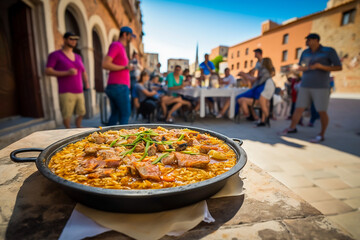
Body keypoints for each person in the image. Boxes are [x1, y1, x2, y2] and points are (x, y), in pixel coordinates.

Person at [280, 33, 342, 143]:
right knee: (298, 108)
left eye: (308, 40)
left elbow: (338, 67)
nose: (306, 42)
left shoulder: (328, 51)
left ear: (316, 40)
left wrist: (321, 66)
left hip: (321, 86)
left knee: (321, 111)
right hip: (305, 85)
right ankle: (292, 128)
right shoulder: (305, 52)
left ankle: (321, 134)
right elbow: (300, 67)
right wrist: (298, 68)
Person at [45, 32, 90, 129]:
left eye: (75, 39)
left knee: (82, 112)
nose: (74, 41)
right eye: (71, 39)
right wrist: (67, 73)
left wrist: (86, 82)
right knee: (67, 114)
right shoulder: (55, 55)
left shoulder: (78, 56)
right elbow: (48, 71)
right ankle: (68, 130)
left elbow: (83, 71)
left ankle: (78, 127)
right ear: (65, 40)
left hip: (79, 90)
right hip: (66, 91)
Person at [102, 26, 135, 125]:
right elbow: (105, 64)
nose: (131, 38)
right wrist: (125, 67)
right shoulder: (117, 45)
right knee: (125, 114)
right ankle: (123, 140)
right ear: (125, 34)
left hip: (117, 86)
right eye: (130, 36)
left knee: (115, 114)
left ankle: (108, 138)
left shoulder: (121, 48)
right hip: (119, 86)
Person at [236, 57, 276, 126]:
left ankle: (267, 118)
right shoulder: (268, 71)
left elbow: (257, 80)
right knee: (265, 105)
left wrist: (244, 75)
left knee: (263, 105)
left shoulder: (264, 70)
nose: (261, 63)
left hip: (267, 86)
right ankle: (263, 121)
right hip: (269, 85)